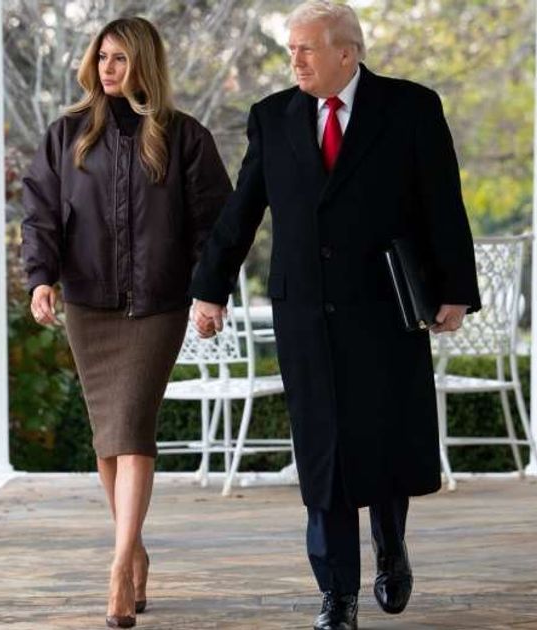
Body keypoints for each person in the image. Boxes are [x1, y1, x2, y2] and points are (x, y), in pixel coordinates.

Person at [188, 2, 482, 629]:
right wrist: (209, 289)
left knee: (381, 438)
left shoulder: (410, 108)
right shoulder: (272, 117)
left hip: (384, 307)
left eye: (306, 49)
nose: (293, 59)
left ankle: (392, 547)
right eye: (290, 48)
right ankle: (337, 595)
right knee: (322, 451)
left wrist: (453, 289)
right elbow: (242, 211)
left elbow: (442, 203)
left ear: (347, 52)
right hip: (305, 313)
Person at [20, 16, 232, 629]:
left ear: (144, 64)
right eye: (102, 57)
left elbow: (214, 224)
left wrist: (207, 293)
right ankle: (134, 547)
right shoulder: (67, 135)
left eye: (120, 58)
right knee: (108, 437)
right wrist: (41, 277)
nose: (108, 68)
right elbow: (39, 214)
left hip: (157, 305)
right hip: (89, 304)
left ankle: (116, 567)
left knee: (133, 425)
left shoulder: (184, 136)